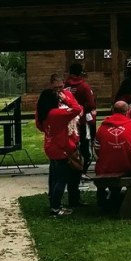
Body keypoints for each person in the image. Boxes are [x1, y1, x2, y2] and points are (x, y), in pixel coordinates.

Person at [35, 86, 81, 216]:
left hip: (50, 146)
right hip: (60, 148)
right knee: (61, 179)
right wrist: (66, 98)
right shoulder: (56, 113)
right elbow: (77, 109)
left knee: (55, 178)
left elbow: (40, 126)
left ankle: (54, 204)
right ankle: (55, 208)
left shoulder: (43, 113)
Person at [93, 100, 131, 212]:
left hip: (105, 167)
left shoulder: (102, 128)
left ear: (112, 110)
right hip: (128, 167)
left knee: (104, 166)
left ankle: (104, 197)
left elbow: (97, 149)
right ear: (127, 111)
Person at [64, 61, 97, 164]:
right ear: (80, 73)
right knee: (84, 142)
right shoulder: (84, 86)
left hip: (67, 120)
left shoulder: (64, 85)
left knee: (70, 141)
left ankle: (70, 163)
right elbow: (91, 105)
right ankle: (83, 166)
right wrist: (82, 109)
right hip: (81, 120)